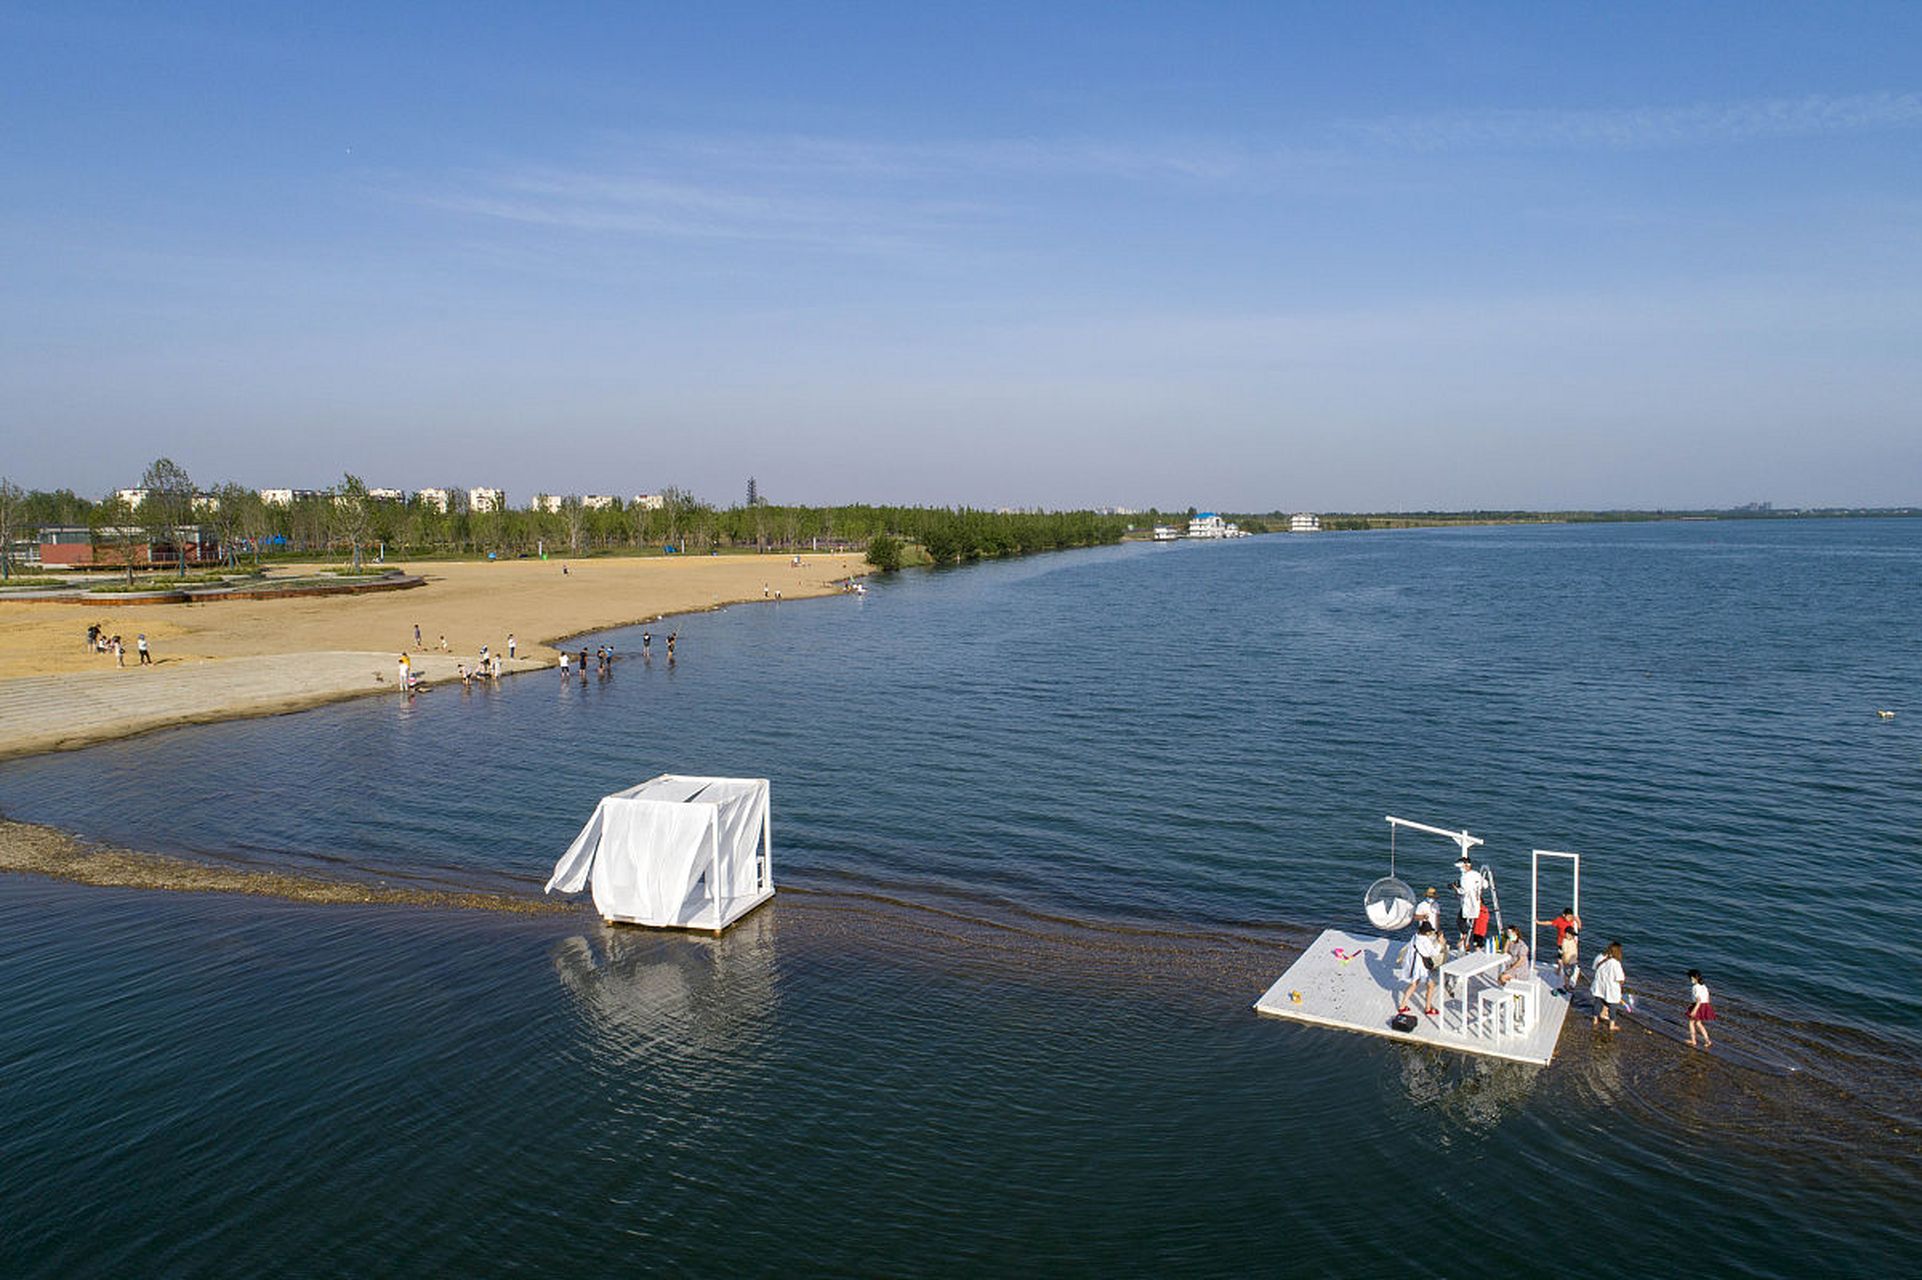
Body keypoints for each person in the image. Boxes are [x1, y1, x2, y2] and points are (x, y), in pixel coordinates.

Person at [1398, 921, 1443, 1018]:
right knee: (1431, 986)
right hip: (1421, 967)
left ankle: (1402, 1006)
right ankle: (1428, 1008)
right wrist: (1440, 943)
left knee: (1414, 985)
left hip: (1415, 965)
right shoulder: (1425, 941)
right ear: (1427, 932)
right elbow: (1434, 953)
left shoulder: (1415, 936)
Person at [1537, 906, 1583, 993]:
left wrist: (1578, 921)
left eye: (1571, 916)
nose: (1569, 918)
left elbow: (1579, 926)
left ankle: (1562, 968)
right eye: (1568, 916)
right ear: (1564, 915)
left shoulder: (1573, 919)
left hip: (1571, 943)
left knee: (1567, 959)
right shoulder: (1559, 920)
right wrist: (1539, 923)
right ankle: (1560, 969)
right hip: (1561, 943)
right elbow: (1550, 923)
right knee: (1560, 959)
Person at [1591, 942, 1627, 1032]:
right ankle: (1611, 1025)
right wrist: (1621, 990)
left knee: (1597, 1003)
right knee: (1612, 1007)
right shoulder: (1616, 964)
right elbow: (1620, 979)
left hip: (1599, 986)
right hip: (1611, 989)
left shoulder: (1600, 957)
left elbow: (1594, 968)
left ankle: (1595, 1020)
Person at [1454, 854, 1485, 952]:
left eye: (1461, 867)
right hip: (1476, 903)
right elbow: (1486, 884)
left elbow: (1463, 891)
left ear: (1466, 865)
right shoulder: (1476, 874)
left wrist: (1455, 888)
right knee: (1472, 925)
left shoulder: (1465, 878)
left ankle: (1464, 938)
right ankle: (1466, 940)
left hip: (1468, 905)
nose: (1461, 869)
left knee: (1460, 921)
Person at [1686, 969, 1717, 1049]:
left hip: (1698, 1005)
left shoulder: (1695, 987)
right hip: (1705, 1005)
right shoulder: (1704, 986)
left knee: (1691, 1023)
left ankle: (1693, 1041)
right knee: (1698, 1024)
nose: (1690, 980)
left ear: (1694, 978)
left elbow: (1698, 1000)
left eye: (1691, 978)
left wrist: (1694, 1010)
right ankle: (1707, 1041)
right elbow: (1708, 997)